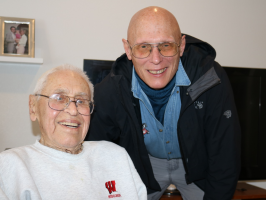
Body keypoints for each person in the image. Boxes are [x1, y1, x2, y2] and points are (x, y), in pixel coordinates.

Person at [86, 6, 241, 200]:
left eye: (166, 45)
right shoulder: (112, 89)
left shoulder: (210, 78)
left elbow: (225, 154)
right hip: (145, 166)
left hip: (196, 165)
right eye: (143, 47)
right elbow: (93, 155)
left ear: (181, 45)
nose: (156, 59)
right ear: (128, 49)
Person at [0, 64, 146, 200]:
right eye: (59, 98)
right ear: (33, 107)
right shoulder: (12, 164)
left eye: (81, 101)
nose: (72, 110)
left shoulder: (115, 156)